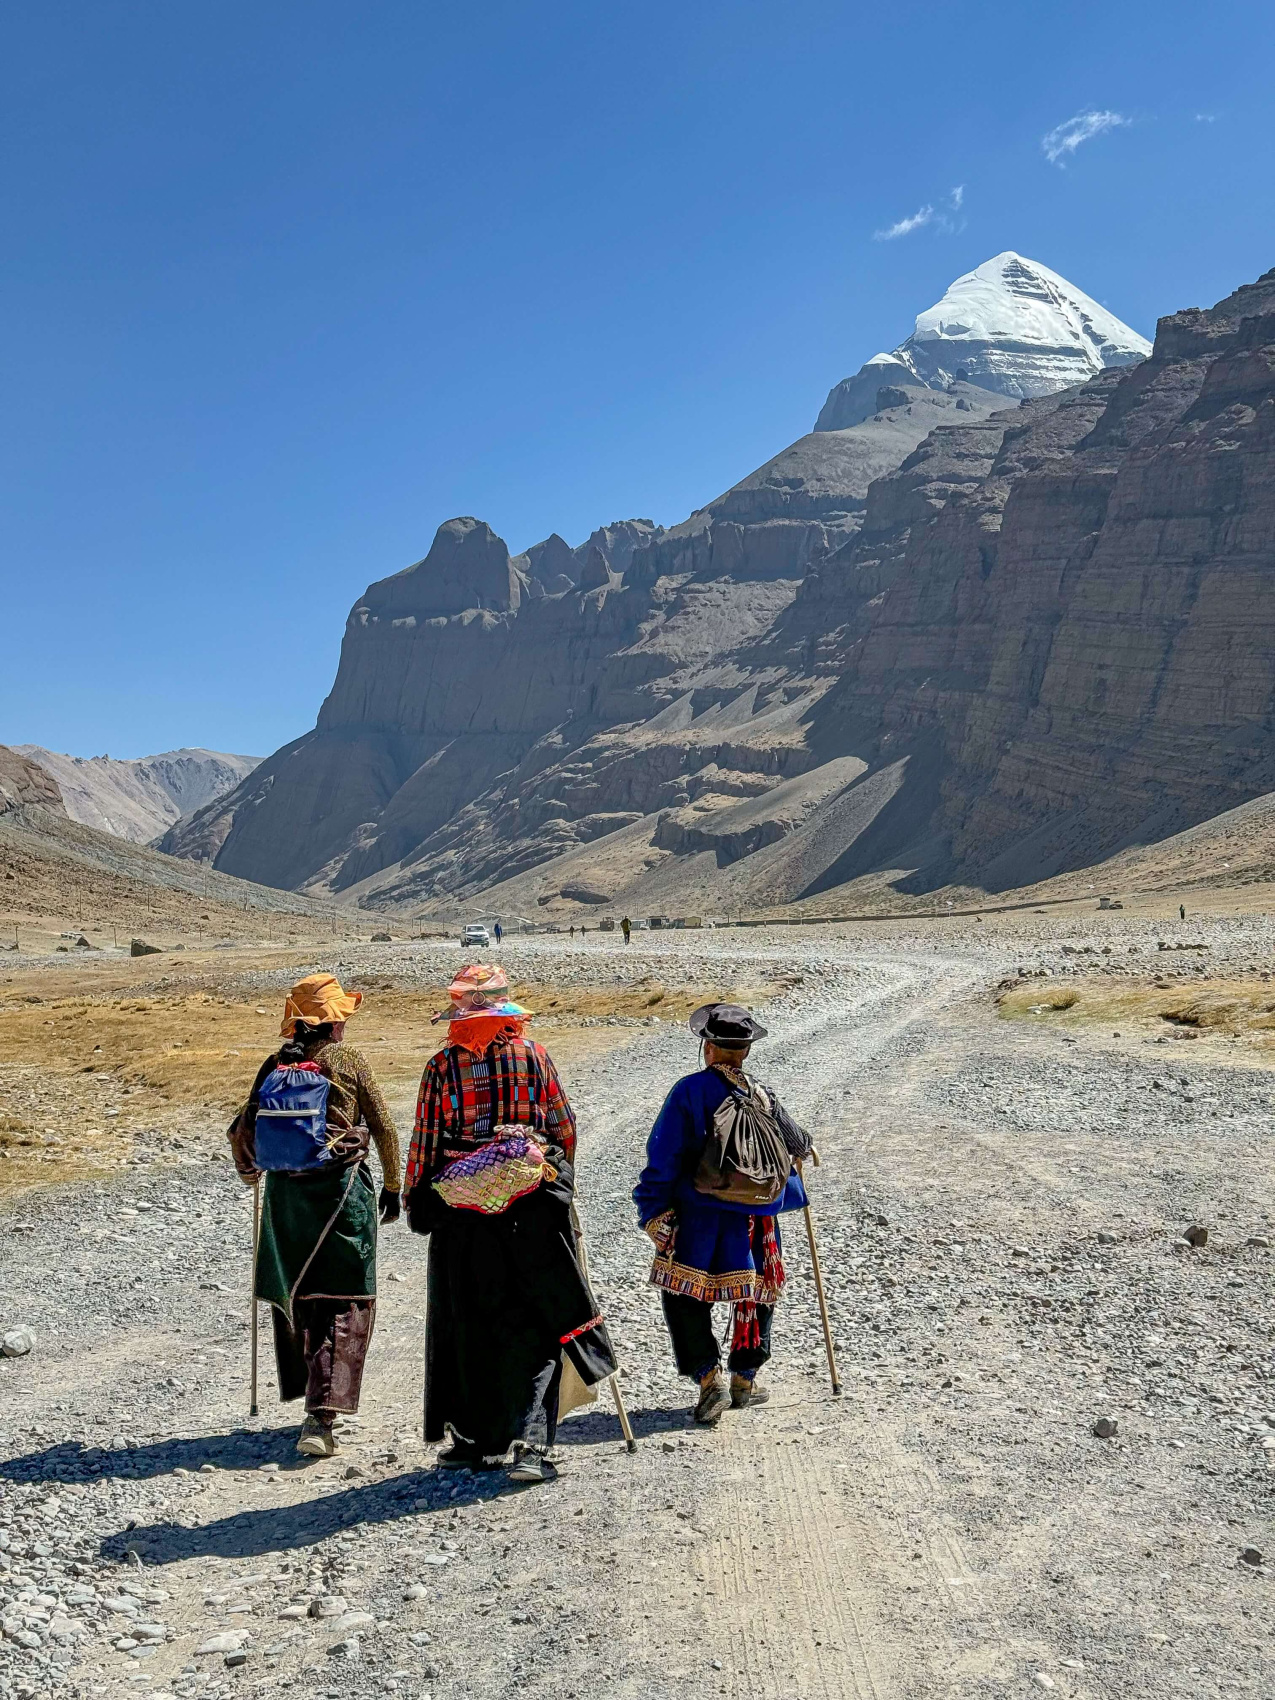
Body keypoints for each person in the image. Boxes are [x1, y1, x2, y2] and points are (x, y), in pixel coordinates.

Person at [404, 964, 616, 1483]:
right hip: (530, 1212)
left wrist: (417, 1198)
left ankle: (475, 1441)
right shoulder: (534, 1056)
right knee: (536, 1318)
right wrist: (560, 1187)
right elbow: (563, 1127)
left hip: (462, 1216)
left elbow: (425, 1143)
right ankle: (530, 1444)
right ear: (505, 1012)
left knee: (470, 1319)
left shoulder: (441, 1067)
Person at [229, 973, 400, 1458]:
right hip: (342, 1196)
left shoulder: (274, 1065)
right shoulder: (348, 1060)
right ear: (336, 1022)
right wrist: (393, 1187)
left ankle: (311, 1402)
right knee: (344, 1297)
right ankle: (321, 1416)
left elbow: (245, 1134)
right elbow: (384, 1126)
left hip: (286, 1200)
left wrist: (252, 1174)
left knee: (303, 1295)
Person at [633, 1003, 812, 1424]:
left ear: (708, 1047)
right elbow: (799, 1146)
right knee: (757, 1292)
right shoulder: (762, 1093)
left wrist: (652, 1209)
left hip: (698, 1218)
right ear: (745, 1051)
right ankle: (745, 1379)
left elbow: (664, 1156)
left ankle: (708, 1378)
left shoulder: (688, 1092)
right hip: (755, 1222)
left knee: (682, 1295)